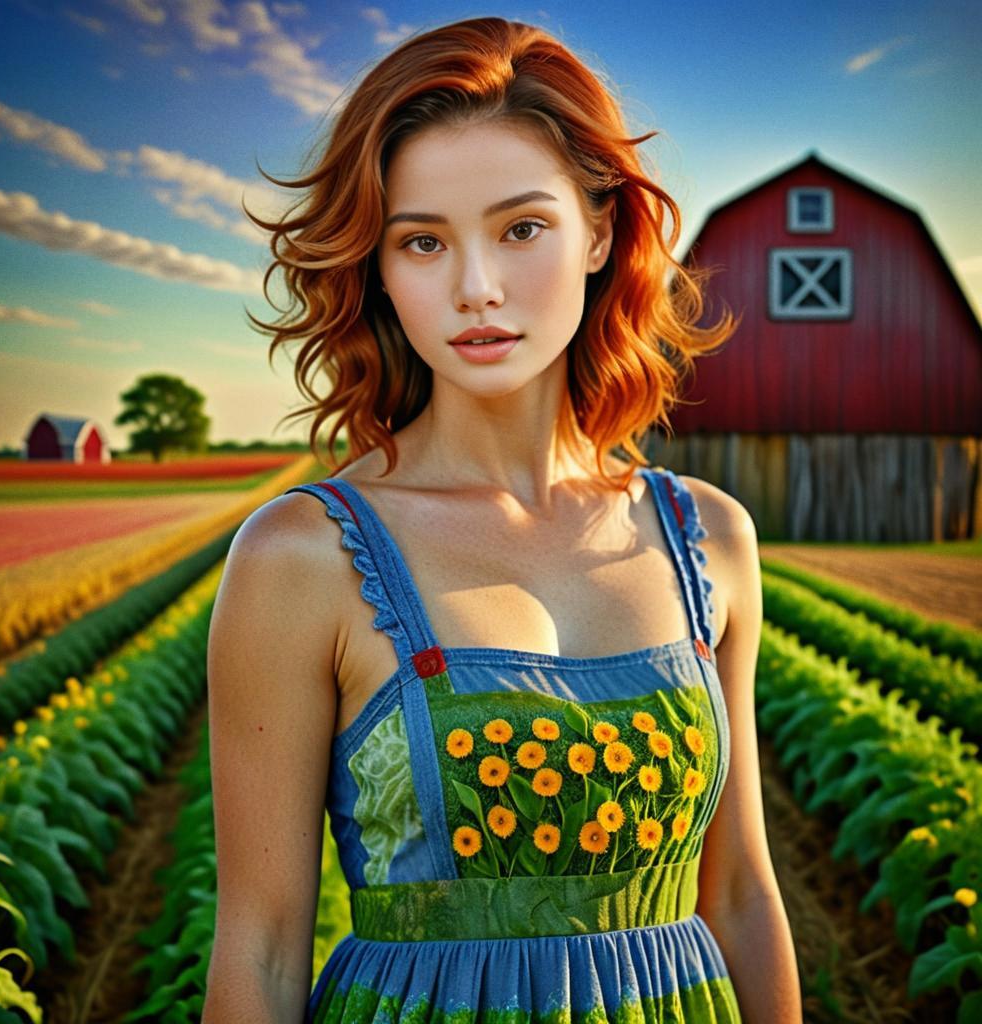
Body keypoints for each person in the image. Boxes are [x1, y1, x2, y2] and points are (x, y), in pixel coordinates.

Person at [202, 15, 802, 1024]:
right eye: (423, 240)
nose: (475, 288)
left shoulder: (710, 539)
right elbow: (259, 950)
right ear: (380, 269)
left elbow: (739, 891)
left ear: (600, 230)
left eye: (521, 228)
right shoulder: (302, 556)